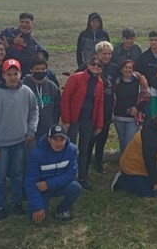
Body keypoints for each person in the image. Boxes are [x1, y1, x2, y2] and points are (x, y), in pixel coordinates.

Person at [0, 59, 39, 222]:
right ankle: (0, 206)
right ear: (3, 75)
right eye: (9, 74)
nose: (13, 77)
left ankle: (17, 202)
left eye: (16, 74)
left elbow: (34, 111)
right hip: (1, 145)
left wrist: (31, 130)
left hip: (20, 142)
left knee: (17, 174)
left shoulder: (26, 91)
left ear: (20, 74)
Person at [61, 56, 104, 191]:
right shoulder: (76, 78)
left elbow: (100, 104)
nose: (96, 67)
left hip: (88, 120)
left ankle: (83, 177)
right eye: (93, 64)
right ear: (88, 65)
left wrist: (99, 124)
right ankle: (68, 176)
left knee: (84, 149)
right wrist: (66, 120)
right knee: (70, 148)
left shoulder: (100, 83)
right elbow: (65, 98)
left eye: (99, 65)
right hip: (74, 119)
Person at [24, 125, 82, 224]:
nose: (59, 143)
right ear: (49, 139)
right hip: (42, 189)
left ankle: (62, 210)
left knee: (76, 188)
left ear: (66, 139)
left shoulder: (72, 150)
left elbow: (71, 173)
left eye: (62, 139)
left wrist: (48, 184)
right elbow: (30, 181)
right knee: (36, 221)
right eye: (55, 139)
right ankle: (39, 204)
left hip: (56, 185)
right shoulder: (36, 154)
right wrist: (38, 207)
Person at [111, 110, 157, 197]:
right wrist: (156, 181)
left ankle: (149, 180)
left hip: (143, 166)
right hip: (133, 168)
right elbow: (150, 160)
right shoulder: (151, 136)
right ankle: (122, 179)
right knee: (150, 193)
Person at [89, 41, 118, 174]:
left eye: (109, 53)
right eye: (103, 53)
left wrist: (140, 77)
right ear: (98, 53)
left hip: (106, 107)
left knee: (103, 137)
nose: (106, 56)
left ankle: (98, 162)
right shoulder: (90, 66)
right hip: (91, 108)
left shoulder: (114, 68)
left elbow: (127, 73)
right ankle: (86, 160)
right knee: (90, 137)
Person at [0, 12, 47, 76]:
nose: (24, 24)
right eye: (22, 22)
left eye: (27, 22)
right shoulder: (9, 31)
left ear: (32, 24)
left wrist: (9, 48)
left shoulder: (33, 44)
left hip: (18, 73)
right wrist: (12, 41)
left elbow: (23, 60)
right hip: (0, 68)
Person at [113, 60, 150, 153]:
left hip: (133, 117)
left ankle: (128, 164)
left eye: (130, 68)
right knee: (121, 140)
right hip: (119, 115)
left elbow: (146, 96)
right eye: (126, 67)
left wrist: (137, 108)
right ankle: (123, 162)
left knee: (128, 142)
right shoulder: (117, 81)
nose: (128, 70)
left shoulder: (139, 82)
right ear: (121, 69)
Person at [22, 57, 61, 141]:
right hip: (28, 131)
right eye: (37, 69)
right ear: (31, 70)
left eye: (43, 69)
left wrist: (53, 123)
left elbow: (57, 107)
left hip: (47, 130)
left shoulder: (52, 86)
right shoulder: (23, 86)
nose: (40, 71)